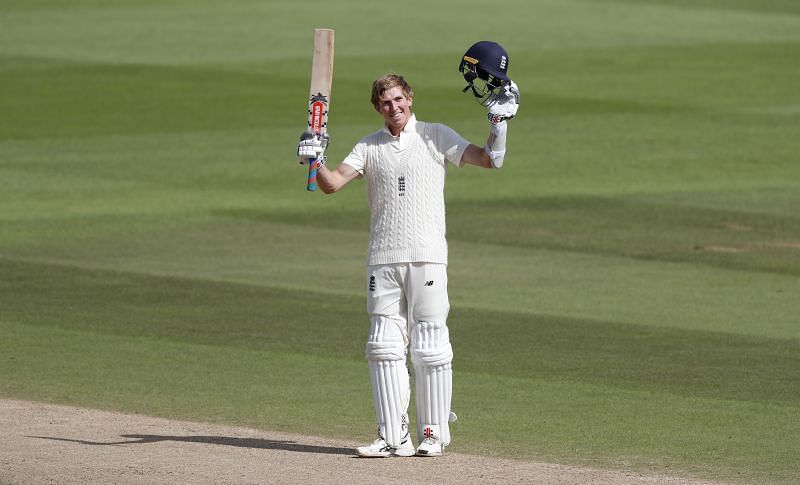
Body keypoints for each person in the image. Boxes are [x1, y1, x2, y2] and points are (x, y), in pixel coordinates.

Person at [296, 41, 519, 458]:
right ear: (377, 107)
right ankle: (391, 435)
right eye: (384, 102)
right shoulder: (368, 146)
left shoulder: (436, 136)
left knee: (430, 343)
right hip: (383, 256)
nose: (392, 106)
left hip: (428, 254)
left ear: (410, 99)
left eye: (398, 98)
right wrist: (314, 159)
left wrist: (500, 125)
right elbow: (331, 184)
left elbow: (491, 160)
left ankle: (432, 434)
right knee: (383, 344)